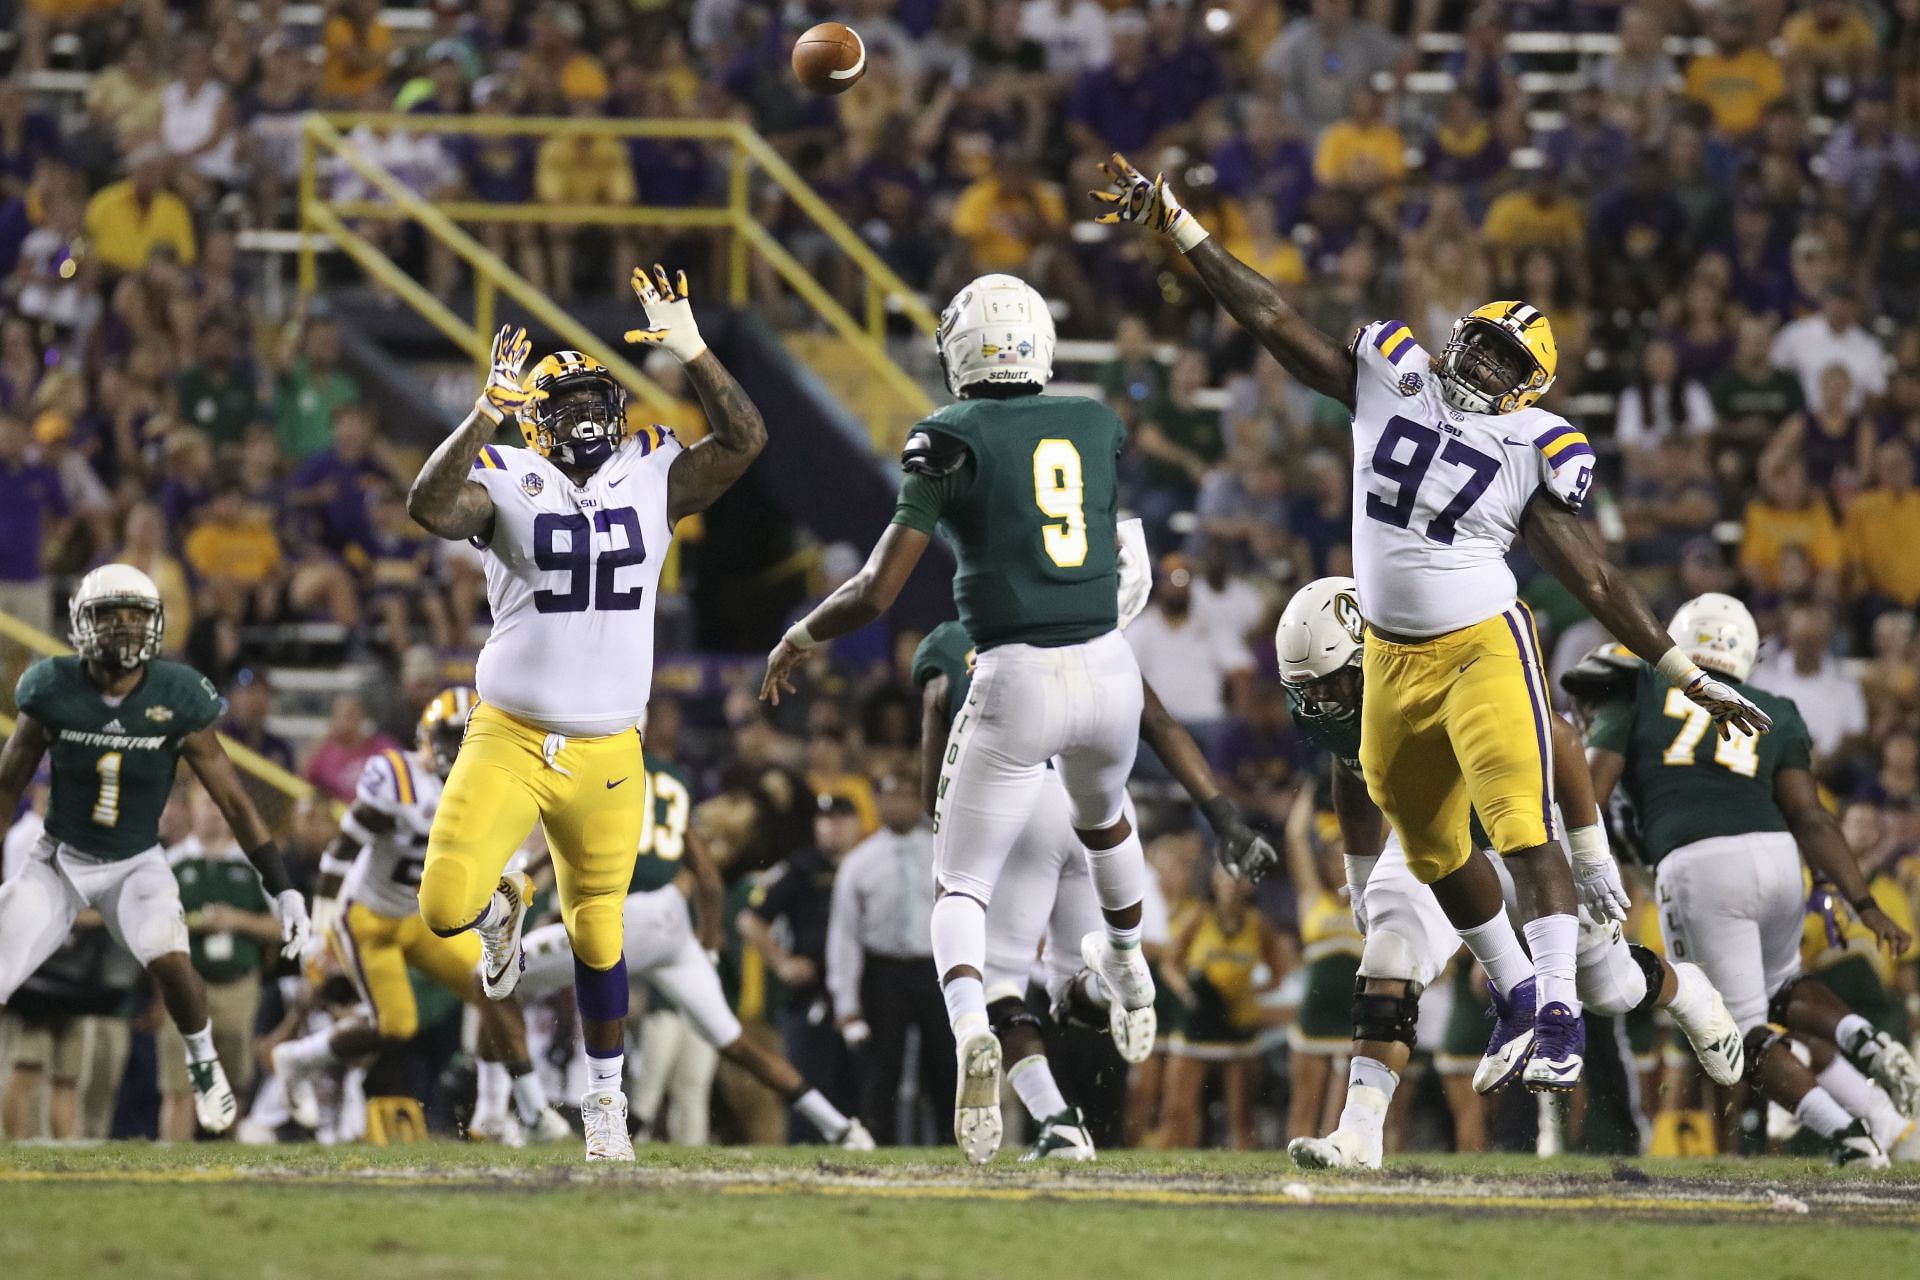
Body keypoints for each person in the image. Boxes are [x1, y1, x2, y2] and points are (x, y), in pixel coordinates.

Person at [1096, 153, 1770, 1095]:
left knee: (1518, 830)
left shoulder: (1530, 449)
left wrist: (1677, 673)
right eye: (1483, 342)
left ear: (1528, 388)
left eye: (1508, 360)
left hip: (1482, 645)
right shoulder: (1388, 376)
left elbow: (1598, 574)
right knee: (1439, 853)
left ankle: (1558, 1022)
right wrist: (1184, 228)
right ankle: (1527, 993)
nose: (1485, 363)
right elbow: (1269, 317)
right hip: (1392, 660)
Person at [761, 273, 1158, 1164]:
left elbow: (875, 591)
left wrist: (801, 634)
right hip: (1110, 665)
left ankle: (976, 1022)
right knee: (1108, 816)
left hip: (1019, 671)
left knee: (962, 889)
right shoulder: (1094, 420)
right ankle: (1127, 960)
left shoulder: (950, 436)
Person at [404, 266, 766, 1162]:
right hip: (511, 735)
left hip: (611, 747)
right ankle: (502, 909)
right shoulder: (506, 471)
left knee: (600, 929)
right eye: (564, 403)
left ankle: (605, 1108)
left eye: (597, 398)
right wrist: (485, 411)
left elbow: (746, 439)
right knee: (445, 905)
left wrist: (693, 349)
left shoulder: (652, 474)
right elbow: (429, 506)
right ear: (533, 419)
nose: (588, 416)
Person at [1270, 579, 1743, 1170]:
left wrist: (1591, 851)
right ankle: (1359, 1134)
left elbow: (1561, 739)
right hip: (1436, 837)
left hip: (1528, 840)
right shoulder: (1331, 701)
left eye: (1335, 681)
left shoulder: (1439, 655)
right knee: (1389, 953)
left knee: (1607, 987)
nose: (1325, 700)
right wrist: (1360, 873)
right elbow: (1351, 766)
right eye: (1310, 689)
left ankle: (1686, 991)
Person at [907, 546, 1277, 1159]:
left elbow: (932, 784)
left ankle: (1056, 1123)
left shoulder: (950, 642)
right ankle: (1117, 986)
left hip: (1015, 805)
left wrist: (959, 832)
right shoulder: (1093, 632)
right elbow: (1160, 724)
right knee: (1070, 988)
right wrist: (1223, 818)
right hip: (1100, 815)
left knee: (1000, 985)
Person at [1576, 597, 1920, 1166]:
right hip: (1779, 856)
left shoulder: (1640, 686)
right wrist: (1863, 900)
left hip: (1700, 863)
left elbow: (1588, 787)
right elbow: (1811, 816)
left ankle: (1848, 1137)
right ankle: (1865, 1048)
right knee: (1783, 987)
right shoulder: (1778, 708)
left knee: (1739, 1035)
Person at [0, 564, 308, 1136]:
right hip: (59, 861)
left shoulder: (178, 695)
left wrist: (280, 882)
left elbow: (236, 801)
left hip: (135, 862)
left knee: (170, 958)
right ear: (81, 623)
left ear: (156, 623)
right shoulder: (50, 687)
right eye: (109, 616)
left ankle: (202, 1059)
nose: (122, 629)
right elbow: (7, 785)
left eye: (134, 616)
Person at [518, 755, 873, 1150]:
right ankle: (842, 1129)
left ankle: (523, 1114)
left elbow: (562, 844)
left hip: (621, 914)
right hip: (671, 923)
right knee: (734, 1042)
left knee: (491, 978)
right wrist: (707, 945)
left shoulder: (599, 773)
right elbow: (708, 878)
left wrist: (525, 879)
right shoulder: (673, 785)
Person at [271, 688, 571, 1146]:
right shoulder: (398, 779)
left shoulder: (491, 788)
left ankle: (501, 1111)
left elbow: (503, 867)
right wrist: (318, 931)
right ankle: (297, 1060)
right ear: (426, 738)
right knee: (395, 1026)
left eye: (468, 738)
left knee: (493, 982)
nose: (458, 750)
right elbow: (338, 856)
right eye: (450, 738)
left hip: (425, 918)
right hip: (368, 915)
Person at [824, 765, 947, 1146]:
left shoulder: (940, 853)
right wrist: (846, 1002)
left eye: (905, 796)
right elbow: (844, 936)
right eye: (889, 797)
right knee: (882, 1066)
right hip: (884, 972)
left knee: (945, 1061)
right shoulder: (860, 862)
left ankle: (952, 1139)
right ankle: (879, 1141)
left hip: (935, 968)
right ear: (877, 803)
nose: (897, 805)